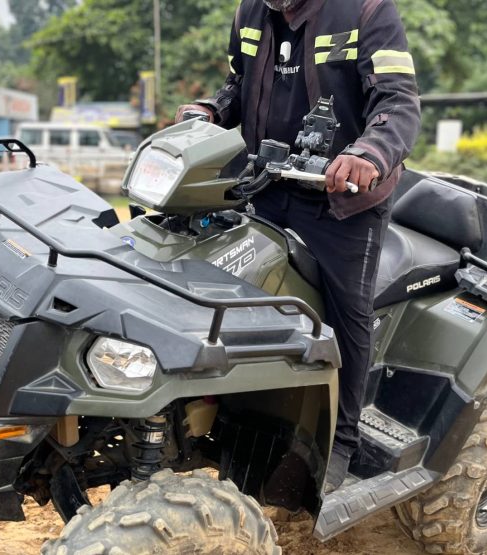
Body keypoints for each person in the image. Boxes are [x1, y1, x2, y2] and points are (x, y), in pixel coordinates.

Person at [176, 0, 421, 492]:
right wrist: (213, 110)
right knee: (236, 288)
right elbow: (239, 84)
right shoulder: (250, 12)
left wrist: (369, 152)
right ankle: (236, 411)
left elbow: (397, 102)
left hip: (342, 195)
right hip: (266, 184)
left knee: (346, 310)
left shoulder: (368, 11)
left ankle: (341, 442)